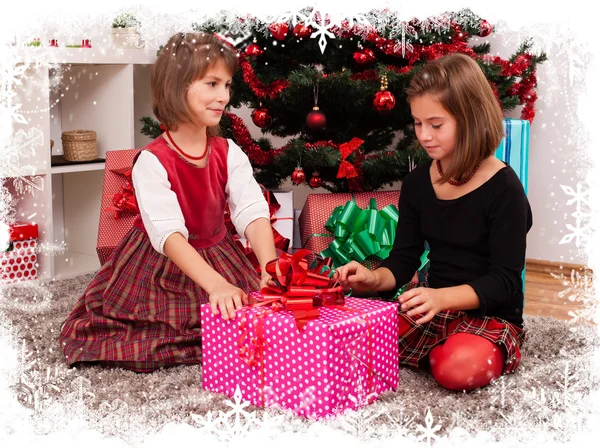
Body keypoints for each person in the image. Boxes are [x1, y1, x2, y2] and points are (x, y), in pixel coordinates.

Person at [59, 32, 277, 372]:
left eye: (228, 86)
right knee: (154, 334)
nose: (224, 97)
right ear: (178, 87)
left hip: (217, 250)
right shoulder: (152, 160)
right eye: (212, 84)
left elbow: (250, 210)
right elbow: (170, 237)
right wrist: (216, 284)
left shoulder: (228, 152)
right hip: (162, 261)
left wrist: (268, 266)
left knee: (246, 318)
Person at [334, 53, 532, 391]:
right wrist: (371, 277)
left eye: (436, 125)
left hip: (490, 314)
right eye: (417, 123)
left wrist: (441, 299)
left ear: (470, 118)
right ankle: (436, 349)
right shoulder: (417, 183)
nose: (424, 136)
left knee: (458, 369)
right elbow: (402, 261)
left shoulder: (504, 189)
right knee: (345, 344)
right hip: (432, 306)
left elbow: (505, 282)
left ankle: (453, 351)